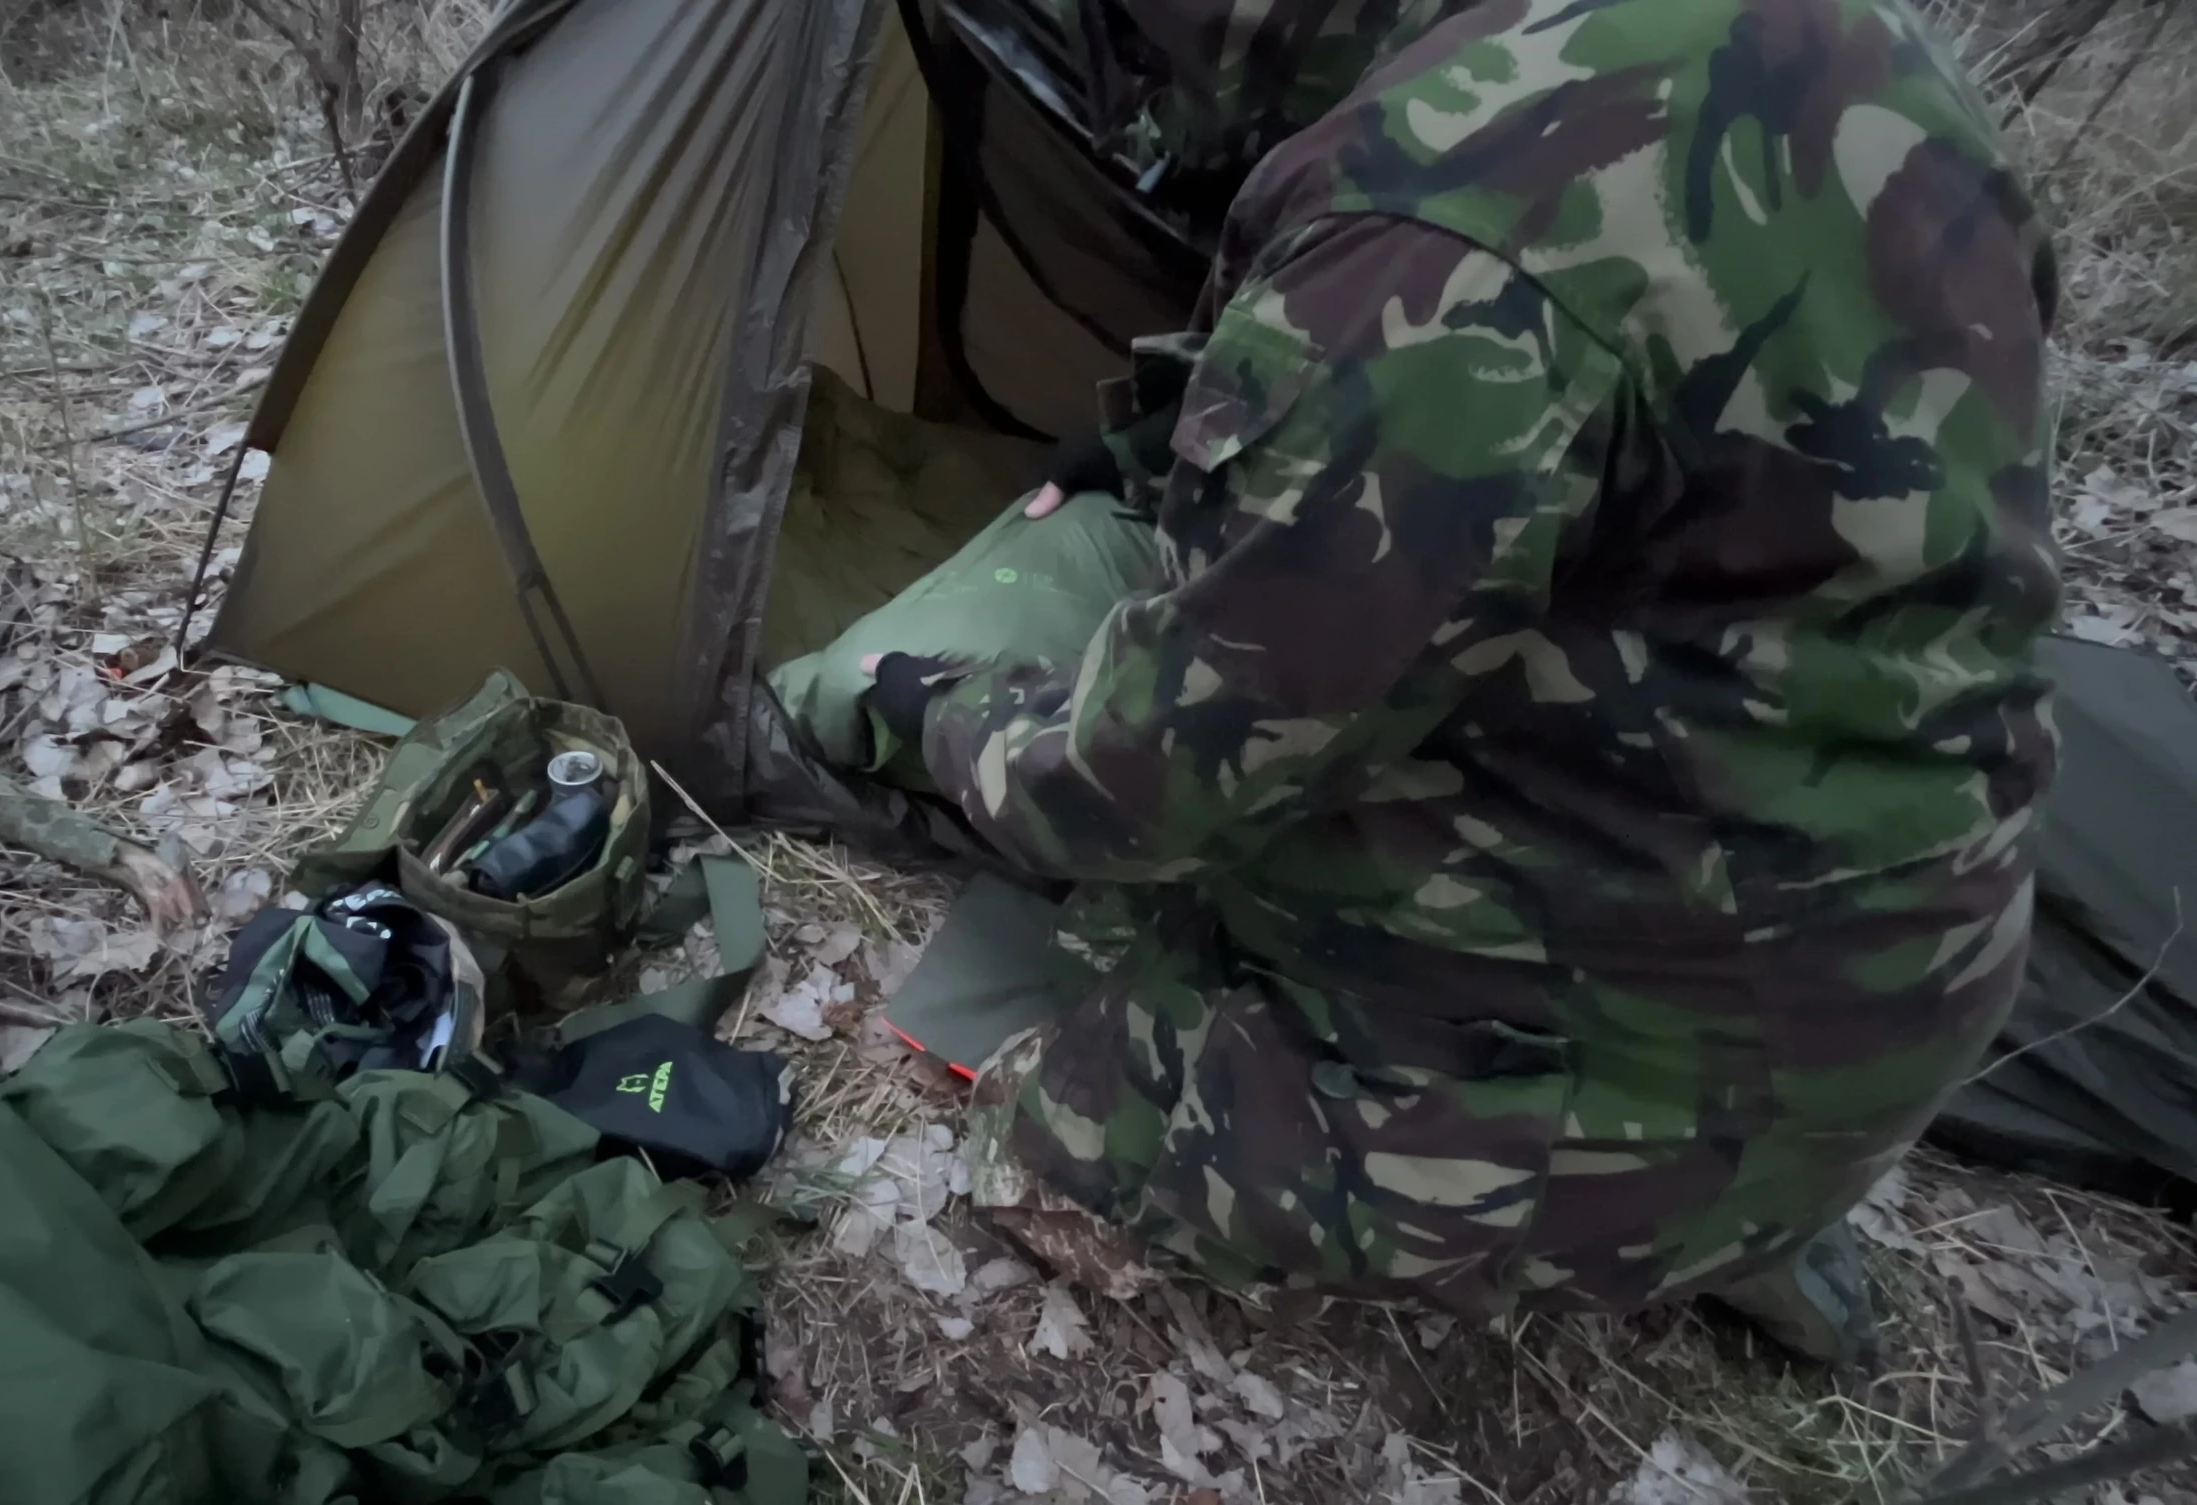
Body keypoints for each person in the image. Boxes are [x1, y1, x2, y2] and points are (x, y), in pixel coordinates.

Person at [858, 0, 2059, 1366]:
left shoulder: (1439, 205)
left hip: (1650, 1071)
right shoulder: (1852, 49)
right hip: (1905, 980)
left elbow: (1147, 794)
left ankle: (1656, 1208)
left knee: (1052, 1121)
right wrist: (1128, 453)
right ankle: (1742, 1180)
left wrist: (943, 712)